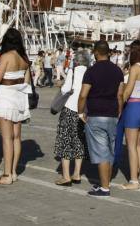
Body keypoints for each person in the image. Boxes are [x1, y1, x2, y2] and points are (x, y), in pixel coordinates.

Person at [77, 40, 124, 197]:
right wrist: (119, 111)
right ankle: (105, 182)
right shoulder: (118, 71)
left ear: (96, 52)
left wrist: (80, 112)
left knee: (102, 152)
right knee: (109, 150)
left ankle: (105, 188)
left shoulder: (91, 71)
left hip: (96, 114)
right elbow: (120, 95)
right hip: (112, 113)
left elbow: (83, 94)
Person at [0, 27, 31, 185]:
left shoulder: (6, 56)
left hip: (5, 97)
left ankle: (6, 174)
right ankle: (13, 171)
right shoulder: (24, 58)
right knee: (16, 137)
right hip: (19, 98)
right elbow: (26, 82)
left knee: (6, 138)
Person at [116, 39, 140, 189]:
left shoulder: (135, 68)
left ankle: (133, 180)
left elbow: (128, 91)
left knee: (130, 145)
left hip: (135, 106)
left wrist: (118, 106)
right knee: (139, 144)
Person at [53, 48, 89, 186]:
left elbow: (65, 89)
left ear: (76, 61)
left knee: (65, 142)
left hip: (69, 109)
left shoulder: (72, 72)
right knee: (79, 141)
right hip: (82, 111)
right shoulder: (89, 72)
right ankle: (77, 174)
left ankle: (66, 176)